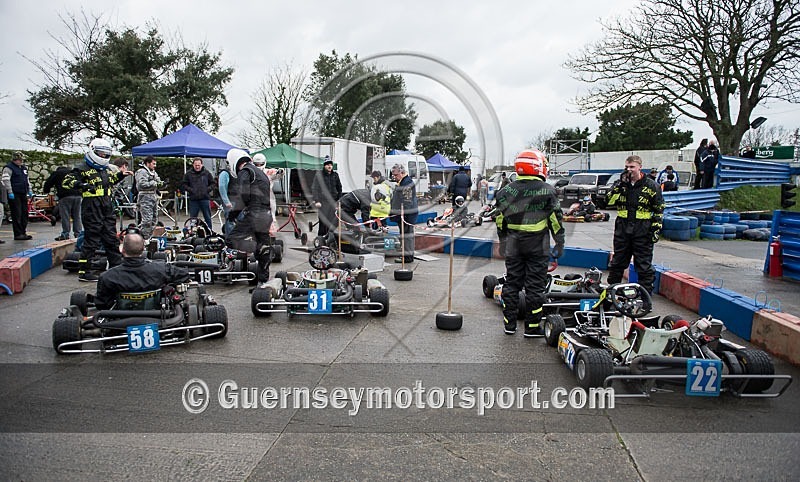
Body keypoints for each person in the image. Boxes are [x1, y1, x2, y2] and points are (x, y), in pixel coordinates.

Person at [494, 149, 565, 337]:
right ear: (538, 166)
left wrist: (502, 242)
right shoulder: (548, 191)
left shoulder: (504, 192)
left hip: (513, 243)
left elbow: (500, 220)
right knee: (535, 287)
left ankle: (509, 325)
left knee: (511, 284)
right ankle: (532, 327)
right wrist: (559, 243)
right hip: (537, 244)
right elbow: (555, 221)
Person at [63, 138, 133, 282]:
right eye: (100, 153)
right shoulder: (82, 169)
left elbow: (109, 182)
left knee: (111, 238)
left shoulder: (105, 170)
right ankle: (84, 271)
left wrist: (120, 175)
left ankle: (116, 266)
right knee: (91, 240)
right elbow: (66, 182)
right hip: (91, 206)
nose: (103, 157)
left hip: (107, 205)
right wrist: (82, 185)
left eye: (105, 154)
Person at [605, 155, 664, 295]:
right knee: (617, 262)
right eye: (626, 167)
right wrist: (620, 186)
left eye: (632, 167)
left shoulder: (652, 186)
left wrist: (656, 229)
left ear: (639, 167)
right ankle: (612, 293)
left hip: (643, 229)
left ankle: (645, 297)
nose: (629, 170)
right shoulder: (620, 185)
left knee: (643, 265)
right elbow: (609, 202)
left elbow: (659, 209)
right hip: (623, 228)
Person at [94, 230, 190, 310]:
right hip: (157, 316)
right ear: (143, 249)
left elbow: (102, 304)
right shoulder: (161, 269)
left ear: (122, 250)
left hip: (120, 319)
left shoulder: (107, 277)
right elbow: (185, 274)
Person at [225, 149, 274, 286]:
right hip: (266, 214)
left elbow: (242, 195)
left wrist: (232, 215)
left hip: (254, 214)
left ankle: (258, 249)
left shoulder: (245, 172)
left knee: (231, 239)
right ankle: (262, 282)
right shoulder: (260, 173)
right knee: (263, 247)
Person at [43, 165, 82, 241]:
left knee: (65, 216)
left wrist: (46, 190)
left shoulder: (57, 173)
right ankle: (78, 234)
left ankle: (65, 234)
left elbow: (48, 184)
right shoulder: (73, 172)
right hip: (78, 196)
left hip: (65, 196)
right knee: (77, 216)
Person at [389, 163, 418, 263]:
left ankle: (407, 256)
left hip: (407, 215)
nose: (394, 177)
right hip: (403, 214)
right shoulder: (402, 182)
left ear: (402, 173)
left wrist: (403, 214)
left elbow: (407, 200)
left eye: (396, 175)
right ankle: (405, 254)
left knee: (407, 236)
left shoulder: (407, 183)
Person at [1, 151, 34, 240]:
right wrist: (10, 192)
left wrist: (29, 190)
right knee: (17, 214)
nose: (21, 161)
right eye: (20, 160)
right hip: (15, 193)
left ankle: (23, 232)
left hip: (23, 193)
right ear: (15, 159)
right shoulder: (8, 168)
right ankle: (18, 234)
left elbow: (27, 180)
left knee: (24, 213)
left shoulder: (23, 168)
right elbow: (6, 181)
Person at [180, 157, 215, 232]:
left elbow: (213, 183)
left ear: (202, 165)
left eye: (199, 165)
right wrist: (191, 190)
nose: (197, 167)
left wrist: (207, 190)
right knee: (193, 219)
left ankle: (209, 232)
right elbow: (184, 184)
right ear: (193, 165)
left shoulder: (207, 173)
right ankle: (192, 232)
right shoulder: (188, 174)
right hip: (194, 199)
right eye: (196, 165)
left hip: (205, 198)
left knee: (208, 218)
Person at [311, 156, 342, 237]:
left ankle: (329, 238)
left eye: (330, 165)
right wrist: (317, 200)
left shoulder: (335, 175)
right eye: (327, 164)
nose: (329, 166)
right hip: (323, 202)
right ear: (324, 166)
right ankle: (320, 239)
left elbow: (339, 188)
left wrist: (338, 201)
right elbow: (315, 188)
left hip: (333, 202)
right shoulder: (319, 175)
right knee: (323, 221)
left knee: (332, 222)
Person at [134, 156, 164, 239]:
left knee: (154, 219)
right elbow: (141, 184)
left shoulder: (153, 172)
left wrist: (161, 184)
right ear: (148, 163)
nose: (155, 165)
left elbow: (158, 181)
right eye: (153, 164)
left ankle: (148, 236)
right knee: (147, 220)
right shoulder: (142, 172)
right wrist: (154, 183)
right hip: (145, 197)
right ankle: (142, 237)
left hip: (153, 197)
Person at [217, 159, 238, 235]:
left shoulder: (238, 173)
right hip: (230, 201)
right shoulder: (225, 173)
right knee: (230, 222)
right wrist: (226, 202)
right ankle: (230, 243)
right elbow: (222, 187)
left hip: (238, 200)